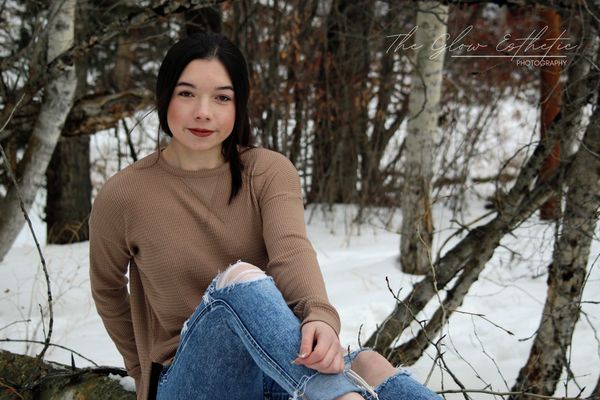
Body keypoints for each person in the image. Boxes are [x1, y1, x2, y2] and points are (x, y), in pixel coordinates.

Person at [89, 32, 441, 400]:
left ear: (238, 105)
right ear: (165, 97)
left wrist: (319, 315)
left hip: (271, 374)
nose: (203, 111)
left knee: (370, 365)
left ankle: (338, 393)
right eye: (186, 93)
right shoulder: (125, 193)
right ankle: (340, 396)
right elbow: (107, 289)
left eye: (222, 97)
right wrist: (138, 369)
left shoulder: (268, 171)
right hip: (188, 381)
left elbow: (291, 252)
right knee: (239, 282)